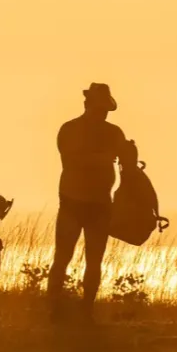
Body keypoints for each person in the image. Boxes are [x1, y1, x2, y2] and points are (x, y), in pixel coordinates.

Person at [47, 83, 135, 320]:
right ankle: (53, 307)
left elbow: (128, 165)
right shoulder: (70, 129)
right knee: (62, 257)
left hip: (100, 204)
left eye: (105, 109)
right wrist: (106, 157)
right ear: (88, 105)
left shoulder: (114, 132)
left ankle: (87, 308)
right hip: (72, 202)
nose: (102, 112)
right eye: (100, 107)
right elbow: (72, 161)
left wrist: (129, 155)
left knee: (94, 260)